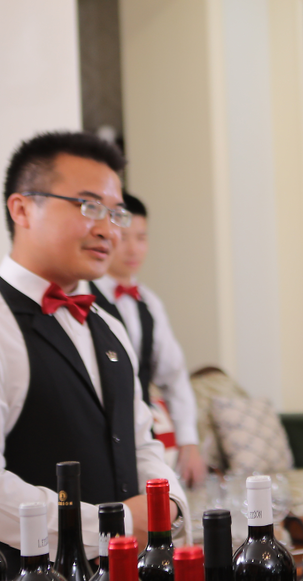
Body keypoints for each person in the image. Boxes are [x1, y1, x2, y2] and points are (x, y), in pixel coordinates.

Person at [0, 130, 191, 566]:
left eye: (116, 213)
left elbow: (140, 442)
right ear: (22, 209)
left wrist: (168, 505)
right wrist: (114, 525)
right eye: (88, 206)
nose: (108, 229)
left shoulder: (107, 323)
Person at [90, 192, 205, 485]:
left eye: (141, 238)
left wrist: (188, 441)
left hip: (141, 436)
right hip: (96, 432)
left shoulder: (150, 303)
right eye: (124, 237)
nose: (133, 249)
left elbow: (174, 375)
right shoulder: (82, 296)